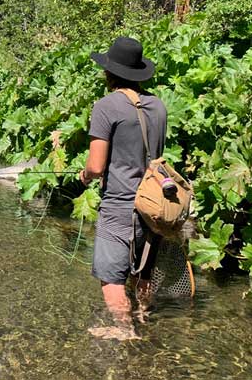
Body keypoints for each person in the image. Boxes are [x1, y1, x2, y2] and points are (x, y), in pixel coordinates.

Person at [78, 36, 167, 341]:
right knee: (144, 271)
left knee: (111, 278)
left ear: (109, 73)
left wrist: (85, 174)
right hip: (153, 206)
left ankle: (123, 330)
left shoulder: (105, 107)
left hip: (120, 206)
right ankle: (142, 317)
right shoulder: (158, 106)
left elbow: (97, 166)